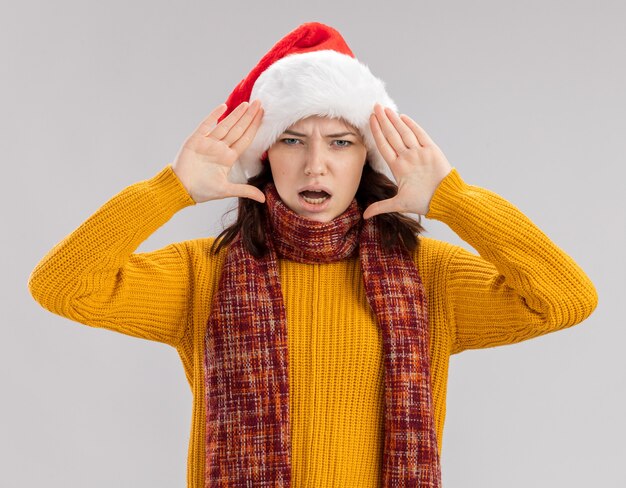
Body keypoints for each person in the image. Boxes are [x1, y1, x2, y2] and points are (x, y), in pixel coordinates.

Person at [28, 22, 598, 488]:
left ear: (368, 159)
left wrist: (454, 199)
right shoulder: (202, 274)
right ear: (264, 155)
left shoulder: (430, 277)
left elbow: (566, 300)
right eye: (293, 139)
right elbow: (60, 287)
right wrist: (166, 190)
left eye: (341, 142)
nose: (315, 165)